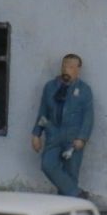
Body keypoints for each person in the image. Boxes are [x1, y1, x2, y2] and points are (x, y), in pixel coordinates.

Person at [31, 53, 94, 197]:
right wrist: (36, 134)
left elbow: (88, 117)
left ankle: (67, 204)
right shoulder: (50, 87)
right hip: (53, 133)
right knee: (47, 164)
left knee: (71, 171)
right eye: (64, 66)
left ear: (78, 70)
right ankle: (77, 194)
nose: (66, 69)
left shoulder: (84, 90)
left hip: (73, 136)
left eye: (71, 67)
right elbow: (43, 112)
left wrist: (82, 137)